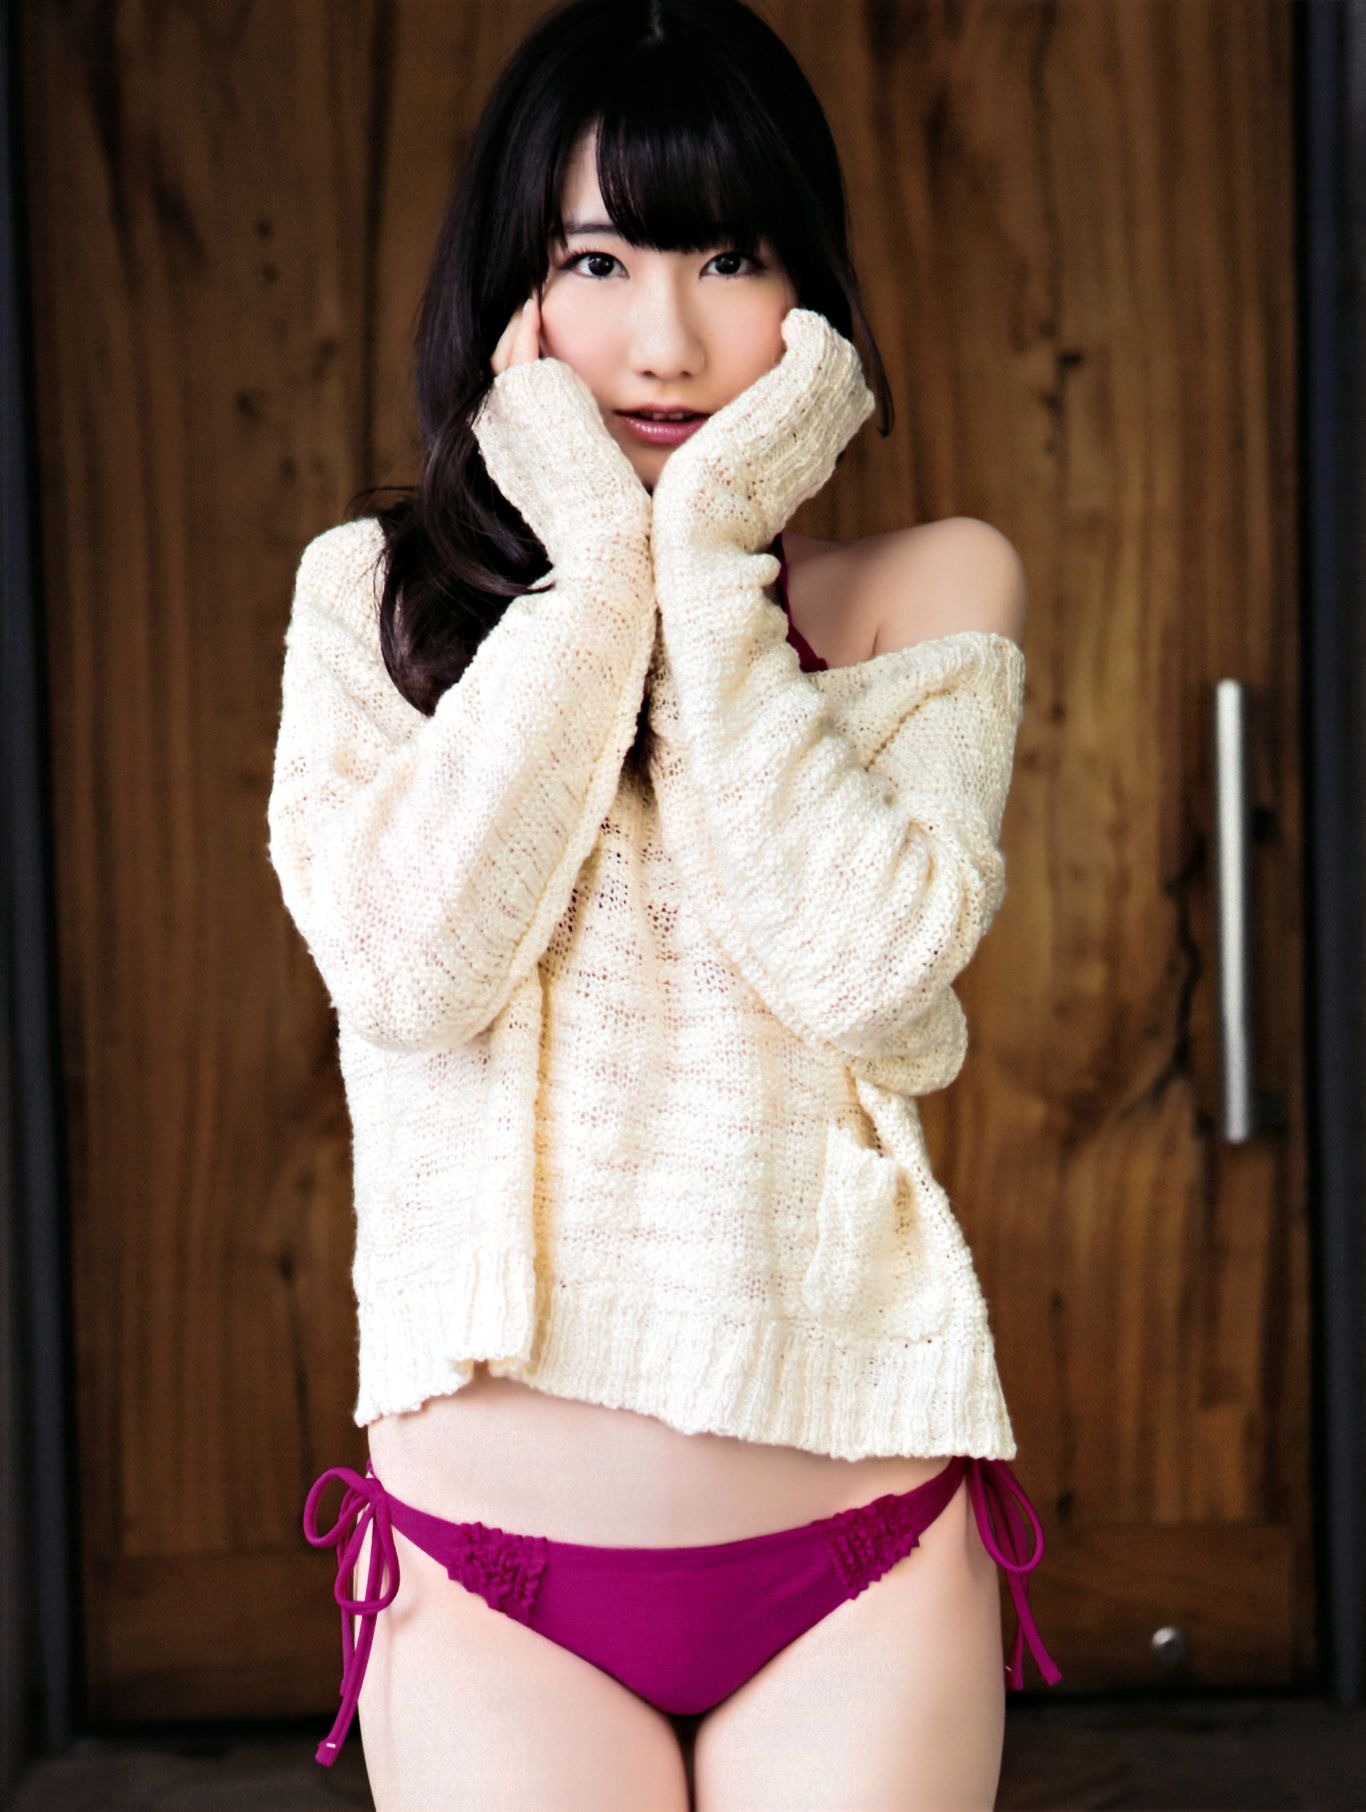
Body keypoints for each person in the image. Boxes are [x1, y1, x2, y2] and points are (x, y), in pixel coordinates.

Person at [267, 1, 1060, 1807]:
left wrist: (701, 567)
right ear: (512, 292)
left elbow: (865, 969)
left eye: (728, 257)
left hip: (855, 1561)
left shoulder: (928, 589)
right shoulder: (366, 603)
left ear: (809, 294)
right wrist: (595, 574)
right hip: (490, 1587)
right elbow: (409, 970)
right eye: (597, 261)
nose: (669, 340)